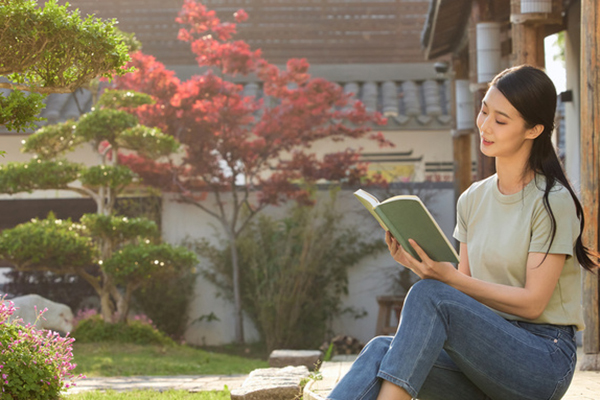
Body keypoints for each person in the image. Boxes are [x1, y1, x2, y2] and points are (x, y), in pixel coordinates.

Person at [327, 65, 599, 400]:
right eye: (484, 111)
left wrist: (445, 281)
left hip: (542, 361)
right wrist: (420, 266)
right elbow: (465, 296)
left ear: (533, 130)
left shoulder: (551, 201)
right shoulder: (472, 199)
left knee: (428, 294)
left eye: (501, 120)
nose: (485, 125)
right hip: (483, 358)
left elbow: (532, 304)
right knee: (380, 351)